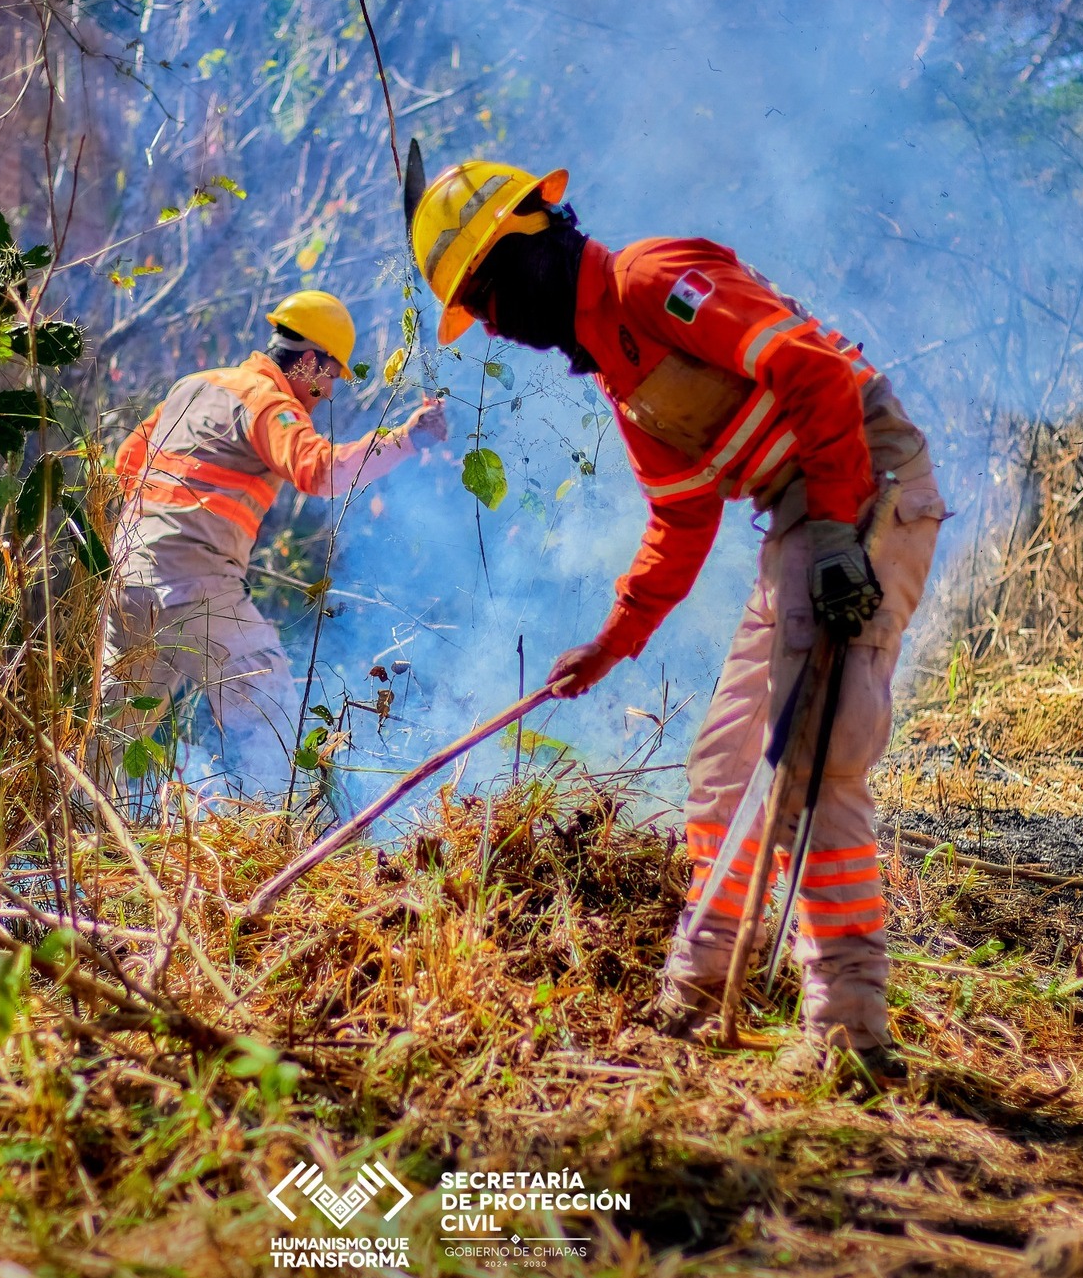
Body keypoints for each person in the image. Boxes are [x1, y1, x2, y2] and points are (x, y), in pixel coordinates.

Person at [406, 155, 945, 1075]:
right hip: (801, 520)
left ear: (529, 245)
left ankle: (849, 1028)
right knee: (726, 760)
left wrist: (834, 538)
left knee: (816, 747)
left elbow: (808, 370)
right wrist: (612, 643)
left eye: (486, 299)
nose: (492, 328)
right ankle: (697, 993)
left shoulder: (652, 281)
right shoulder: (621, 378)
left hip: (864, 485)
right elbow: (682, 517)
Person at [102, 291, 447, 800]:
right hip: (193, 584)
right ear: (308, 360)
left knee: (109, 736)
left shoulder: (191, 387)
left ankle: (69, 851)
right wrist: (406, 439)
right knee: (270, 707)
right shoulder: (268, 402)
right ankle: (281, 843)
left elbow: (125, 466)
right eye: (330, 375)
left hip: (127, 581)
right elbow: (322, 471)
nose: (327, 392)